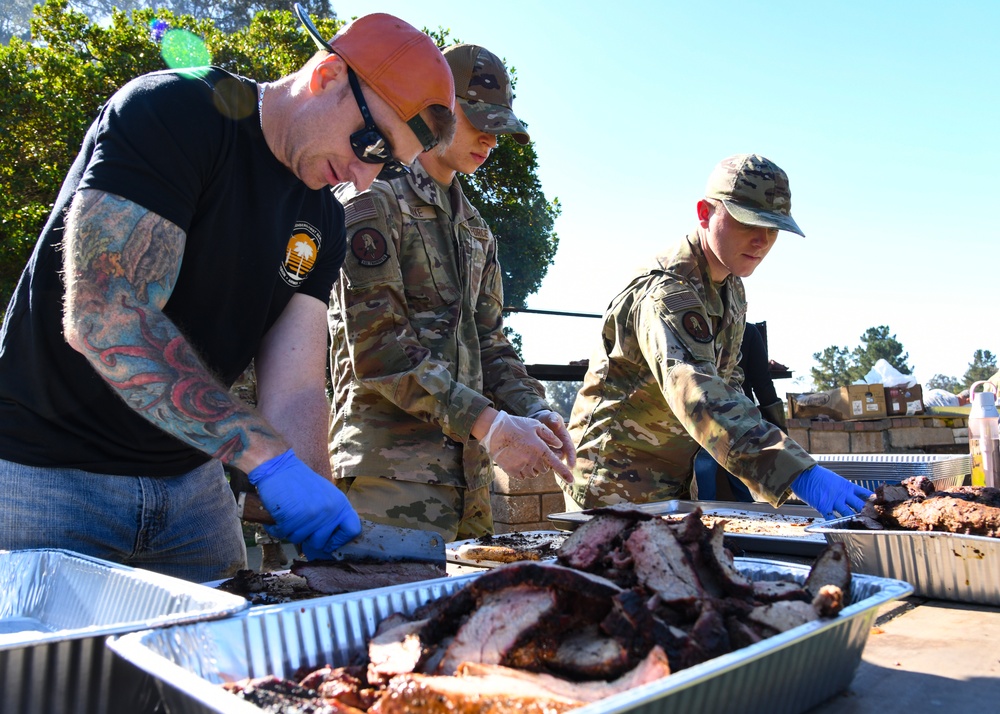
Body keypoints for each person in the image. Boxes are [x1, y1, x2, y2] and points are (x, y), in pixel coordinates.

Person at [0, 8, 457, 583]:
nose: (363, 177)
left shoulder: (324, 221)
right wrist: (266, 458)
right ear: (327, 76)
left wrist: (316, 499)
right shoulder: (177, 111)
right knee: (47, 672)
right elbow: (105, 316)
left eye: (386, 163)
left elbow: (293, 391)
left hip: (191, 490)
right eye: (370, 142)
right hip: (47, 476)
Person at [328, 43, 575, 541]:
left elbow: (491, 345)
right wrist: (493, 426)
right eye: (476, 119)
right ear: (435, 108)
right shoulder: (372, 200)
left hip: (469, 480)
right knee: (385, 617)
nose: (489, 138)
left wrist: (533, 411)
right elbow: (380, 351)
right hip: (388, 480)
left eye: (498, 126)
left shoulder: (477, 231)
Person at [561, 153, 872, 520]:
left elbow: (730, 382)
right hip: (610, 481)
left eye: (773, 229)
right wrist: (796, 473)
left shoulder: (731, 289)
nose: (761, 240)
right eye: (748, 223)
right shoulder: (668, 291)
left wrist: (776, 459)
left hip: (669, 477)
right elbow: (698, 393)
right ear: (705, 213)